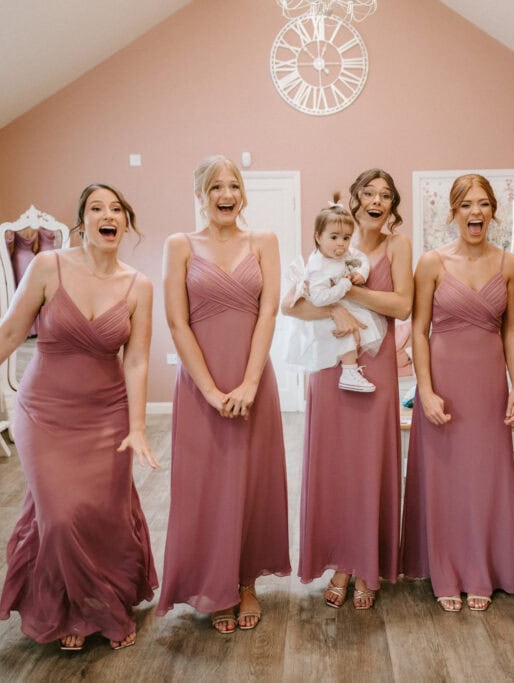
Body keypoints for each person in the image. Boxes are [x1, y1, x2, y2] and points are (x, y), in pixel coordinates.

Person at [0, 183, 159, 651]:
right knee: (59, 516)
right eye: (97, 208)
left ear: (126, 222)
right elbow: (8, 333)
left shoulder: (138, 285)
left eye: (117, 208)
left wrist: (139, 426)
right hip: (44, 413)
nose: (108, 215)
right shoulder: (48, 267)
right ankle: (74, 610)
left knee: (103, 514)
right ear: (82, 223)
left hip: (107, 416)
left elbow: (137, 360)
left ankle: (105, 602)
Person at [156, 155, 291, 634]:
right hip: (200, 384)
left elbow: (269, 312)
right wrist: (210, 389)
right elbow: (176, 321)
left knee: (252, 483)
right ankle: (214, 585)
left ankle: (246, 580)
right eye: (215, 186)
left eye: (233, 185)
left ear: (243, 193)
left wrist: (251, 383)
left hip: (254, 378)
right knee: (207, 486)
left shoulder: (264, 242)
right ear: (201, 194)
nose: (226, 194)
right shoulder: (180, 245)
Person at [283, 169, 413, 610]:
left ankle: (367, 563)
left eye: (386, 195)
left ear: (393, 204)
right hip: (330, 362)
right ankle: (340, 561)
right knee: (335, 465)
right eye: (369, 193)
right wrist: (334, 308)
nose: (377, 200)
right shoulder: (335, 238)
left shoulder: (397, 245)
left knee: (369, 463)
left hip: (375, 365)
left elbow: (403, 305)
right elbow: (297, 305)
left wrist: (346, 298)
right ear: (356, 198)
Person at [400, 174, 514, 612]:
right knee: (446, 477)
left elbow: (512, 328)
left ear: (493, 211)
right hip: (445, 383)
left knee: (486, 478)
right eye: (467, 204)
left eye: (484, 204)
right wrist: (426, 392)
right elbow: (418, 330)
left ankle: (482, 568)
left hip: (489, 384)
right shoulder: (431, 263)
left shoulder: (510, 264)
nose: (476, 212)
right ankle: (447, 568)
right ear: (452, 212)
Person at [284, 194, 387, 392]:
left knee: (359, 326)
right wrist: (344, 286)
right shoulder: (318, 268)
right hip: (320, 313)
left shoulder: (345, 253)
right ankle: (349, 372)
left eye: (346, 238)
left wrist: (360, 273)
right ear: (318, 237)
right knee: (346, 334)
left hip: (338, 303)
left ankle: (348, 367)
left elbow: (361, 258)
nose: (341, 244)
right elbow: (319, 298)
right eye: (334, 237)